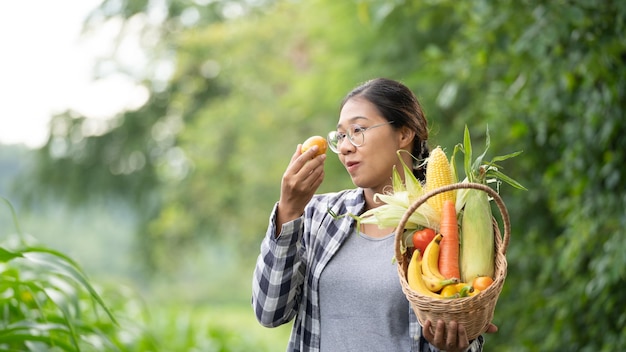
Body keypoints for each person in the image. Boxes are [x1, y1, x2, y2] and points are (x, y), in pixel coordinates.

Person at [251, 78, 497, 351]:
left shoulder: (449, 225)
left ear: (404, 134)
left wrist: (457, 346)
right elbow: (269, 312)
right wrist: (289, 210)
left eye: (358, 130)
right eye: (341, 136)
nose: (345, 146)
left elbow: (466, 325)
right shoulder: (319, 216)